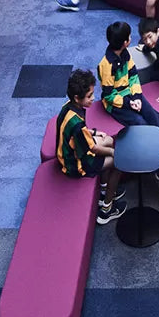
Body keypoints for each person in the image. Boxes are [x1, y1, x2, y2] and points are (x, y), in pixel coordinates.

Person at [98, 19, 159, 178]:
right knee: (141, 124)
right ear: (125, 42)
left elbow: (133, 76)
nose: (131, 38)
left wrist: (137, 97)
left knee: (155, 117)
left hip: (131, 96)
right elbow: (109, 95)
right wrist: (129, 103)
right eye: (129, 37)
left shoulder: (126, 54)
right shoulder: (106, 65)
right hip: (116, 104)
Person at [55, 68, 127, 225]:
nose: (93, 99)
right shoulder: (77, 124)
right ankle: (107, 210)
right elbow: (92, 148)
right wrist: (114, 152)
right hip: (76, 164)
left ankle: (104, 189)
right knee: (119, 162)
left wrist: (94, 132)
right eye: (89, 96)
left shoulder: (69, 106)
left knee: (108, 139)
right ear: (77, 97)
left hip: (72, 150)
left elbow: (81, 133)